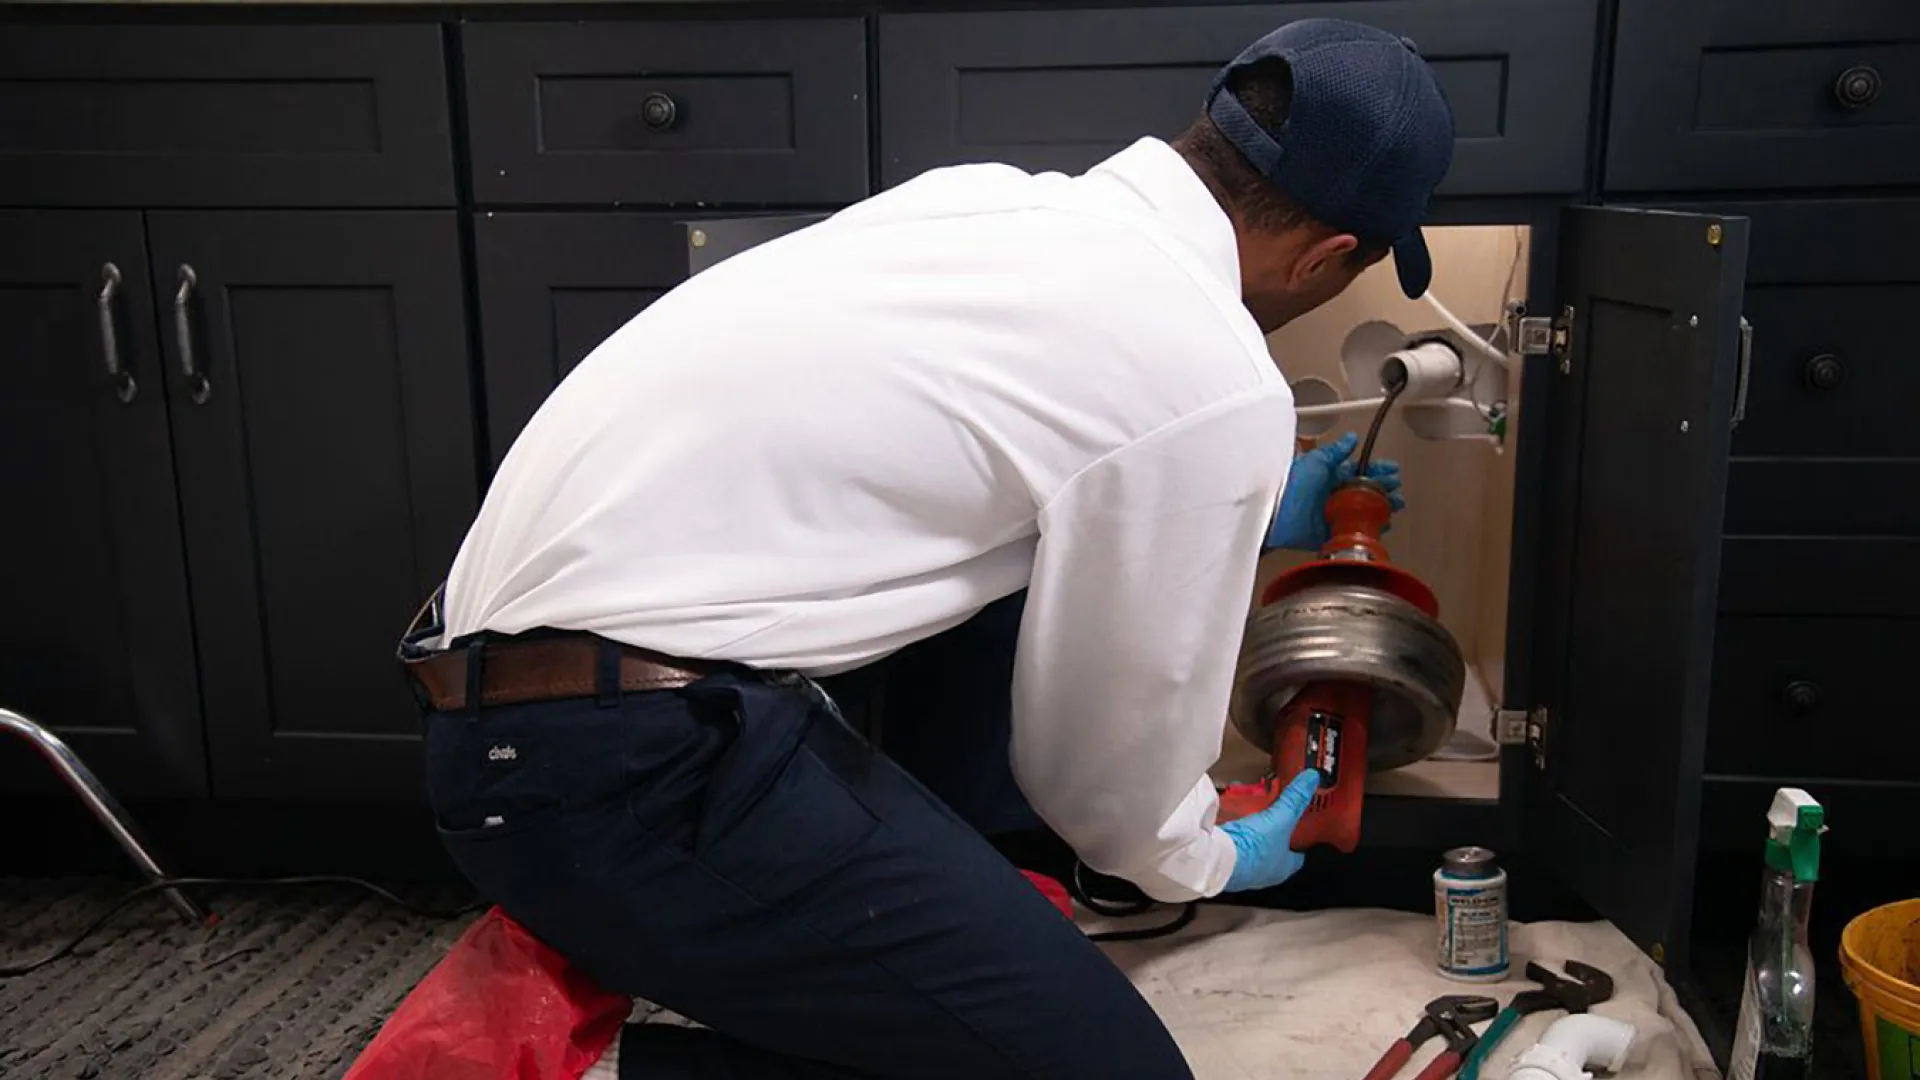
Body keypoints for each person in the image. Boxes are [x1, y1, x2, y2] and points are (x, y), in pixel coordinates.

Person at [399, 16, 1452, 1080]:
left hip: (515, 713)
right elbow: (1103, 790)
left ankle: (948, 932)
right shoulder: (1214, 374)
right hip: (621, 765)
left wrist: (1250, 510)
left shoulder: (983, 202)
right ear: (1329, 257)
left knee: (1013, 620)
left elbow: (973, 483)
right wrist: (1208, 855)